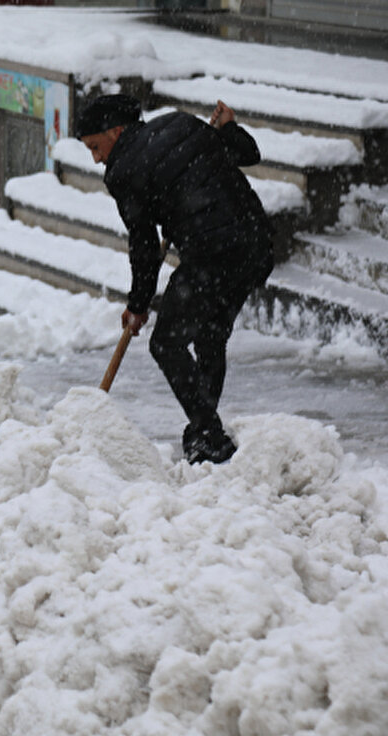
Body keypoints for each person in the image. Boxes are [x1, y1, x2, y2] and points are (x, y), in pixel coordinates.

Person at [76, 94, 273, 464]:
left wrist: (138, 306)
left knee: (166, 343)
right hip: (254, 246)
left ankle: (208, 433)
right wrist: (228, 128)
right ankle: (204, 430)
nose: (97, 158)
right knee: (210, 334)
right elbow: (248, 153)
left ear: (116, 131)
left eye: (95, 147)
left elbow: (145, 246)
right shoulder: (183, 123)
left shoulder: (123, 171)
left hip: (213, 254)